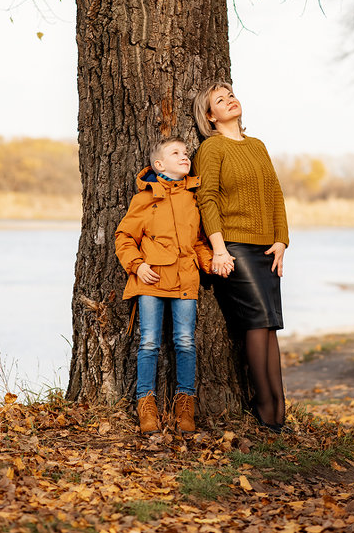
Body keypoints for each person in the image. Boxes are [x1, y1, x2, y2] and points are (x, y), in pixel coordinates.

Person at [192, 81, 289, 432]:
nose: (230, 100)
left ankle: (279, 407)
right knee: (258, 322)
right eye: (221, 100)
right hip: (235, 247)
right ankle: (264, 405)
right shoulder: (212, 148)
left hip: (268, 248)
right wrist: (219, 248)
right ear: (209, 116)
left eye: (231, 95)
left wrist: (281, 241)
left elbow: (275, 195)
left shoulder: (257, 146)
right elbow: (208, 199)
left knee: (271, 324)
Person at [115, 136, 212, 435]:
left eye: (185, 153)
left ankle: (185, 404)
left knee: (185, 341)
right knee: (149, 343)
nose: (185, 156)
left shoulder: (193, 198)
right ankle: (146, 404)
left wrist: (211, 262)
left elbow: (197, 241)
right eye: (176, 153)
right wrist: (137, 265)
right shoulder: (144, 198)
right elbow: (124, 237)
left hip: (185, 279)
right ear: (159, 165)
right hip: (152, 280)